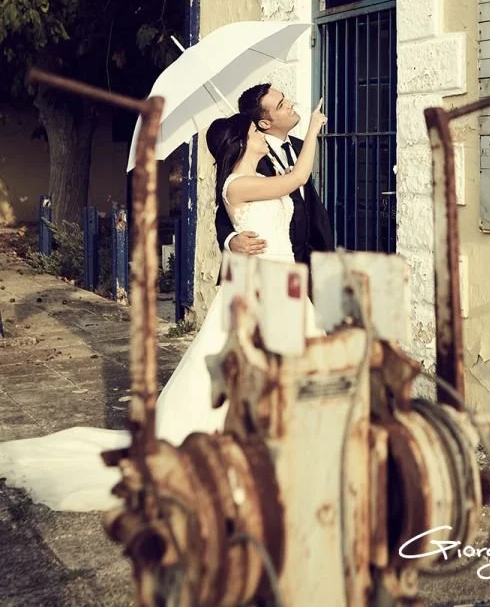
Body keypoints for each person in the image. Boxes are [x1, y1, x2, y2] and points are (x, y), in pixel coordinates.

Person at [0, 102, 328, 513]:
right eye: (256, 132)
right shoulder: (236, 183)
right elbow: (296, 178)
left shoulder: (260, 174)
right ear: (244, 138)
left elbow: (289, 198)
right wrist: (315, 129)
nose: (264, 137)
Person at [215, 85, 333, 278]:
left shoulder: (300, 147)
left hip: (306, 261)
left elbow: (304, 202)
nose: (290, 104)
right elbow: (225, 208)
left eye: (285, 98)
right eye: (280, 105)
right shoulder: (250, 158)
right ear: (264, 123)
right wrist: (231, 240)